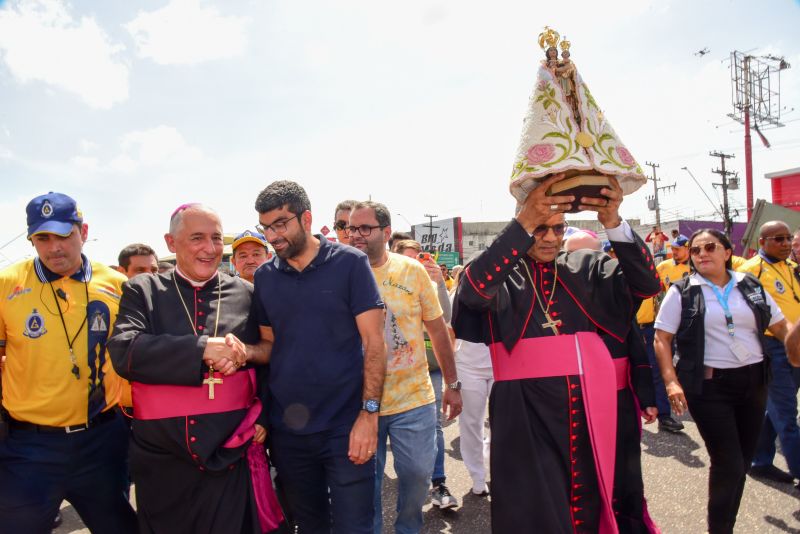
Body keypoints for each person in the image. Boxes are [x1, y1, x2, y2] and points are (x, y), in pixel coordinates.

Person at [453, 173, 660, 533]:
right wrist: (522, 224)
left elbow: (646, 284)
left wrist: (612, 221)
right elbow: (473, 293)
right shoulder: (504, 274)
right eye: (539, 229)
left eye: (558, 228)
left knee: (599, 496)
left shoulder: (589, 267)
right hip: (525, 412)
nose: (550, 237)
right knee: (532, 503)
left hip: (591, 406)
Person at [108, 203, 283, 534]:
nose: (210, 248)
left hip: (230, 448)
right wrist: (202, 349)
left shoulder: (247, 292)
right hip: (163, 457)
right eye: (197, 238)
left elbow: (270, 356)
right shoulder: (143, 290)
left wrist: (263, 416)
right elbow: (123, 351)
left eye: (216, 238)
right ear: (171, 243)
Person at [252, 181, 386, 534]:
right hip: (290, 433)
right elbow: (269, 346)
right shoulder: (264, 277)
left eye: (281, 224)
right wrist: (243, 352)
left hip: (346, 426)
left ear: (306, 218)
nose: (273, 236)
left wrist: (369, 416)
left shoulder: (350, 263)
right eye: (266, 227)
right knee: (309, 526)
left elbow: (374, 343)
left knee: (354, 527)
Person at [0, 192, 137, 534]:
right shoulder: (6, 285)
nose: (54, 247)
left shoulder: (118, 285)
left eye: (63, 235)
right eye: (42, 238)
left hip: (102, 441)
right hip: (28, 448)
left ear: (84, 231)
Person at [654, 229, 788, 534]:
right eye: (695, 249)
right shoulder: (683, 291)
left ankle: (726, 523)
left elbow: (780, 326)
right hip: (709, 388)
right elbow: (662, 339)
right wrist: (671, 381)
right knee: (727, 462)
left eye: (710, 247)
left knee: (742, 462)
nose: (701, 254)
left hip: (754, 383)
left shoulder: (751, 286)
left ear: (727, 252)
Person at [347, 201, 462, 534]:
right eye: (351, 228)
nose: (356, 235)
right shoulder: (341, 271)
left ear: (385, 232)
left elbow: (438, 330)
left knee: (416, 474)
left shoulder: (411, 271)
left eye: (364, 228)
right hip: (360, 403)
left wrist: (453, 385)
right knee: (365, 485)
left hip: (413, 399)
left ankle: (408, 527)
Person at [392, 239, 459, 510]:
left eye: (419, 259)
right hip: (391, 372)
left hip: (427, 368)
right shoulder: (384, 283)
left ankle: (439, 483)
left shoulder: (429, 282)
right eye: (408, 259)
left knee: (433, 425)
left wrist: (439, 283)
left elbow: (447, 318)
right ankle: (409, 480)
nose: (415, 265)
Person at [738, 221, 800, 485]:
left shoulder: (793, 268)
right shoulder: (751, 271)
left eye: (788, 238)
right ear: (761, 242)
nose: (786, 244)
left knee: (775, 409)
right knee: (787, 416)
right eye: (779, 239)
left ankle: (759, 461)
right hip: (772, 349)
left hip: (796, 345)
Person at [449, 263, 493, 497]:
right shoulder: (458, 294)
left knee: (502, 423)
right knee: (471, 424)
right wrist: (451, 380)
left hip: (502, 366)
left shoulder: (506, 290)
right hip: (467, 367)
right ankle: (477, 475)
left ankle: (491, 465)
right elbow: (448, 332)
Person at [650, 234, 692, 433]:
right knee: (661, 366)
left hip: (691, 324)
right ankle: (665, 414)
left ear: (687, 249)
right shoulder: (663, 266)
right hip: (667, 323)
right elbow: (653, 289)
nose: (674, 251)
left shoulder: (695, 268)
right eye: (673, 248)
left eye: (678, 248)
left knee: (687, 362)